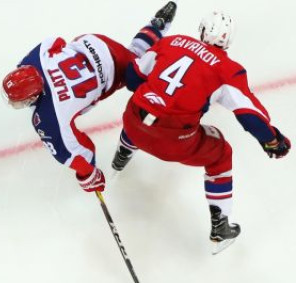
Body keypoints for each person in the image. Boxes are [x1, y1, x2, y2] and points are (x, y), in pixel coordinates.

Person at [110, 11, 291, 252]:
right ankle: (221, 227)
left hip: (133, 121)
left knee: (144, 109)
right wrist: (273, 141)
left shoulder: (170, 42)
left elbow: (132, 79)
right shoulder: (228, 70)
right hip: (173, 141)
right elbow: (250, 117)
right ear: (227, 41)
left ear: (203, 31)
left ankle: (122, 155)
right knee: (221, 153)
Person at [1, 2, 178, 194]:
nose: (13, 103)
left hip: (111, 70)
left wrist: (89, 175)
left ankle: (179, 61)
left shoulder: (50, 115)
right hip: (93, 43)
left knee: (143, 72)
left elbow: (78, 154)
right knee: (133, 55)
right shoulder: (33, 60)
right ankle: (156, 26)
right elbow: (56, 42)